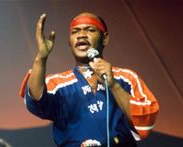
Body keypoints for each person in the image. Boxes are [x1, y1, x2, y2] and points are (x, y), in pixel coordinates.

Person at [19, 12, 159, 146]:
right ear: (69, 41)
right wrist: (41, 57)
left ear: (105, 38)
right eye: (75, 31)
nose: (81, 35)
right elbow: (36, 99)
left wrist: (113, 85)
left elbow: (145, 123)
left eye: (90, 30)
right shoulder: (57, 83)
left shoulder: (126, 78)